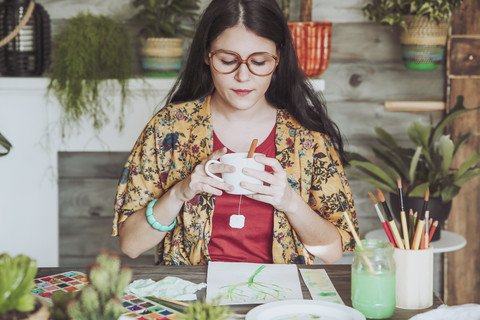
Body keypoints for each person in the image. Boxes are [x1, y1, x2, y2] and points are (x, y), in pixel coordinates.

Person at [112, 0, 358, 265]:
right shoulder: (169, 128)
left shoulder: (307, 139)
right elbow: (131, 245)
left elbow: (334, 252)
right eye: (228, 60)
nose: (243, 76)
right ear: (207, 55)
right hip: (195, 298)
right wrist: (180, 192)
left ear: (279, 58)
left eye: (259, 62)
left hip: (277, 299)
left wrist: (290, 202)